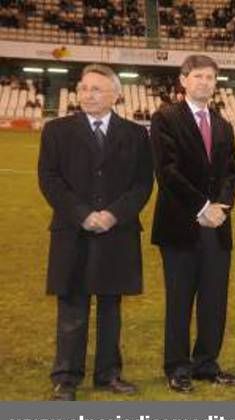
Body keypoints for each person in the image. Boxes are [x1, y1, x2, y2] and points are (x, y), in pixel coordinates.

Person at [38, 64, 154, 401]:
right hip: (72, 231)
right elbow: (49, 179)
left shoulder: (135, 134)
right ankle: (66, 378)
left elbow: (143, 183)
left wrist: (114, 214)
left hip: (117, 232)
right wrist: (82, 214)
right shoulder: (56, 130)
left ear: (116, 95)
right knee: (72, 307)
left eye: (97, 89)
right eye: (84, 88)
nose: (88, 94)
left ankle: (109, 374)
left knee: (110, 307)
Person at [150, 54, 235, 393]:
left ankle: (206, 364)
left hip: (217, 226)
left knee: (214, 300)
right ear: (184, 80)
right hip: (180, 226)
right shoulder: (165, 118)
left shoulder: (223, 124)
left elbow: (231, 173)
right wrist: (202, 206)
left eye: (211, 77)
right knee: (180, 299)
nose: (205, 82)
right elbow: (167, 172)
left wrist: (222, 208)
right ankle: (177, 367)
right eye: (198, 76)